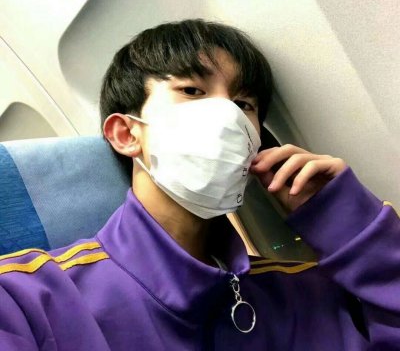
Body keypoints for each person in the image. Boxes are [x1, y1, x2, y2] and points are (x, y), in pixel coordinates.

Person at [0, 19, 399, 350]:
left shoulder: (297, 291)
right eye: (192, 90)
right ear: (126, 133)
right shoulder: (26, 300)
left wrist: (349, 224)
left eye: (243, 104)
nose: (227, 116)